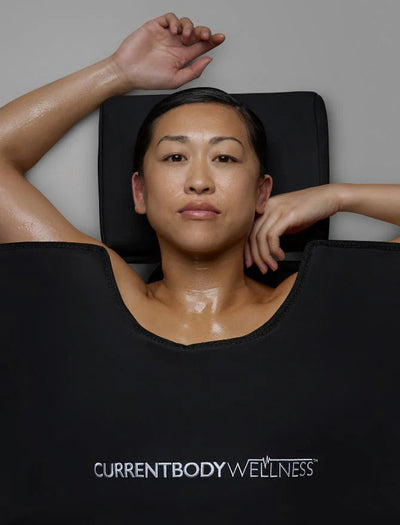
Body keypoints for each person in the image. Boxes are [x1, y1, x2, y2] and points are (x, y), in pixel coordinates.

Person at [0, 12, 399, 346]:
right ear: (140, 191)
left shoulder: (322, 295)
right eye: (175, 157)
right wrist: (117, 72)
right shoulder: (92, 288)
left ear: (262, 192)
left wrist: (336, 196)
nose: (199, 182)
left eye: (224, 157)